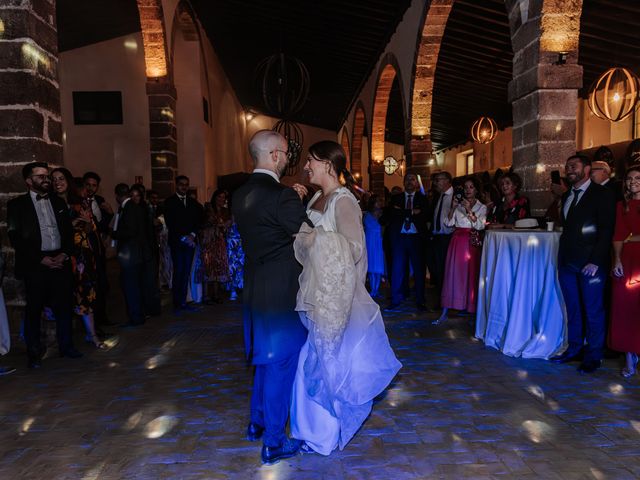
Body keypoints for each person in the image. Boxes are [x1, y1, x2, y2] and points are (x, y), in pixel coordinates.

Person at [289, 140, 401, 456]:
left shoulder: (344, 201)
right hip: (318, 292)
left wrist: (315, 239)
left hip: (336, 295)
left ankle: (322, 435)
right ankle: (312, 431)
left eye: (310, 160)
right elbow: (307, 239)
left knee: (327, 358)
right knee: (316, 357)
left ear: (327, 163)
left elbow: (353, 249)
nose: (306, 166)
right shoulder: (316, 197)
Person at [232, 130, 308, 465]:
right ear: (276, 155)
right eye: (287, 154)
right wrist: (299, 202)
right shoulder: (282, 196)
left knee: (264, 357)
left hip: (254, 285)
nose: (289, 160)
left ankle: (257, 422)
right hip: (280, 289)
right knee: (281, 362)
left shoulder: (239, 193)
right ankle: (274, 442)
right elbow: (306, 236)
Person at [7, 162, 82, 368]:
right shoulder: (16, 205)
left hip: (60, 261)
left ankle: (67, 346)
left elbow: (68, 232)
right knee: (34, 309)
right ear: (29, 181)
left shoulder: (58, 202)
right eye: (40, 176)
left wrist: (65, 254)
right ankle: (33, 353)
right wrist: (40, 258)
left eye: (46, 176)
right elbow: (15, 237)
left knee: (65, 306)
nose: (46, 179)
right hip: (36, 264)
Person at [550, 154, 616, 373]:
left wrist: (596, 261)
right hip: (567, 261)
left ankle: (594, 355)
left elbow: (606, 230)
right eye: (567, 165)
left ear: (587, 169)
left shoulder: (602, 194)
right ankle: (575, 348)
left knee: (593, 309)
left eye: (574, 166)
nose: (569, 169)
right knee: (573, 308)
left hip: (591, 264)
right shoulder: (568, 194)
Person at [435, 177, 487, 324]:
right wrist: (453, 207)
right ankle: (449, 307)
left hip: (471, 242)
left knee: (471, 274)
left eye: (471, 187)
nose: (468, 190)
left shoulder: (481, 207)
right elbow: (448, 222)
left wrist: (469, 210)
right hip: (457, 241)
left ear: (476, 189)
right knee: (454, 274)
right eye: (466, 187)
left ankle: (470, 307)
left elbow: (480, 225)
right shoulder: (457, 206)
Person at [68, 178, 106, 349]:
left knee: (87, 294)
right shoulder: (67, 206)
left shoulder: (84, 205)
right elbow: (62, 231)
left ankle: (92, 335)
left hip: (85, 254)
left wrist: (87, 220)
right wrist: (76, 222)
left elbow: (91, 230)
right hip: (72, 255)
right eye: (84, 188)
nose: (87, 191)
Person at [111, 183, 157, 327]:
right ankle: (138, 314)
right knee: (135, 286)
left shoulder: (129, 208)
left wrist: (112, 233)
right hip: (137, 253)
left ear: (117, 196)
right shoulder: (134, 207)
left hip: (131, 254)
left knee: (130, 287)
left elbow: (131, 231)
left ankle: (136, 317)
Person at [381, 172, 428, 311]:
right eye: (407, 179)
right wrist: (413, 212)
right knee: (397, 270)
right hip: (399, 238)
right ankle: (396, 299)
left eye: (412, 179)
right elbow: (391, 214)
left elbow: (425, 215)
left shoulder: (422, 198)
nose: (409, 182)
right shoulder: (396, 198)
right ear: (403, 182)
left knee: (419, 271)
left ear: (416, 183)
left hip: (416, 239)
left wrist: (402, 212)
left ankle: (420, 301)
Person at [609, 166, 640, 378]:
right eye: (629, 178)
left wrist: (632, 238)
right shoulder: (622, 206)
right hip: (628, 260)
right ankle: (630, 357)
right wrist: (617, 259)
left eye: (637, 178)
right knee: (625, 307)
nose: (632, 181)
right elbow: (619, 235)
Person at [164, 176, 204, 314]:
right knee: (179, 272)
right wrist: (183, 237)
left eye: (186, 185)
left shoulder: (193, 202)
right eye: (181, 184)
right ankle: (177, 303)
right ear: (176, 185)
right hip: (177, 242)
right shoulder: (169, 202)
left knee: (186, 272)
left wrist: (192, 235)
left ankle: (183, 301)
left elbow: (198, 219)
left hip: (190, 242)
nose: (184, 187)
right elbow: (171, 223)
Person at [83, 171, 114, 328]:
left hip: (99, 247)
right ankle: (91, 324)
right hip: (86, 248)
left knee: (102, 284)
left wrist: (109, 213)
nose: (90, 188)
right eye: (88, 184)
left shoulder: (100, 201)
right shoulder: (79, 202)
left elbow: (105, 226)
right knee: (90, 286)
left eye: (94, 185)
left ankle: (102, 318)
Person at [199, 189, 231, 304]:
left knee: (218, 266)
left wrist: (224, 225)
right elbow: (201, 224)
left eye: (223, 197)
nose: (221, 199)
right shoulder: (208, 208)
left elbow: (228, 225)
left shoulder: (225, 211)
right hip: (209, 240)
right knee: (208, 266)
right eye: (219, 197)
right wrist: (212, 222)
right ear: (215, 198)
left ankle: (216, 294)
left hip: (219, 241)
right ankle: (206, 295)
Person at [428, 171, 454, 310]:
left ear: (447, 180)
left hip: (448, 237)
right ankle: (441, 298)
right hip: (437, 237)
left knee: (446, 270)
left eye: (438, 180)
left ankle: (446, 301)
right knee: (437, 270)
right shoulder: (440, 196)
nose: (435, 183)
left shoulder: (454, 196)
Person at [363, 194, 384, 298]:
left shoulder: (383, 214)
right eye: (377, 201)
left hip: (379, 241)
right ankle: (373, 290)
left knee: (378, 267)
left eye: (380, 201)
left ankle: (377, 289)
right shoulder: (367, 214)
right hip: (370, 241)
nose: (379, 203)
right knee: (371, 267)